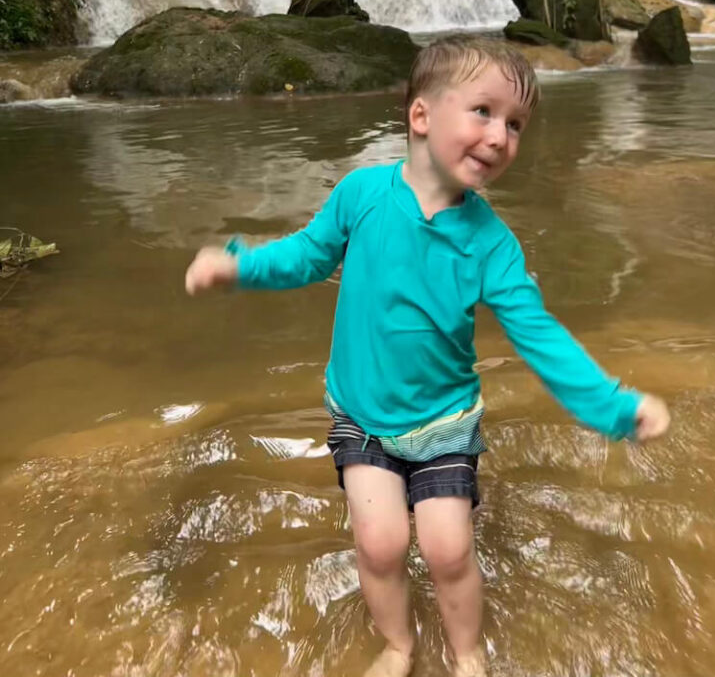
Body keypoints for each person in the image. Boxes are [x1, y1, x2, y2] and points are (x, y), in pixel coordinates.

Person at [185, 36, 670, 677]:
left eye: (516, 124)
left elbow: (540, 336)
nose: (500, 137)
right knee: (380, 543)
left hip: (444, 421)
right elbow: (305, 256)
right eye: (484, 112)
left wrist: (613, 407)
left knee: (448, 549)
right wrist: (239, 267)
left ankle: (466, 654)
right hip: (361, 409)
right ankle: (397, 644)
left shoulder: (492, 245)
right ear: (420, 116)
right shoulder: (360, 195)